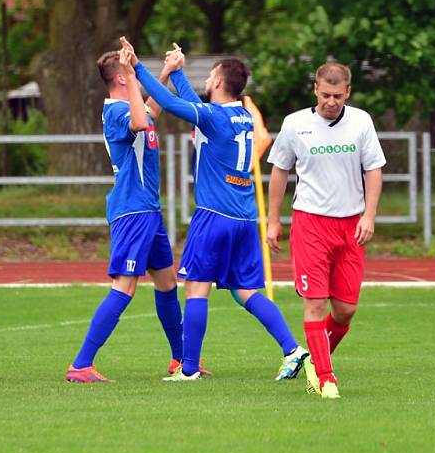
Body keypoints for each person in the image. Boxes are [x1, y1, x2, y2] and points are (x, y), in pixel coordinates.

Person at [122, 37, 309, 383]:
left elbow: (167, 102)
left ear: (220, 82)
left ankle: (189, 369)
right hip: (244, 217)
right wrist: (177, 71)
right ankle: (292, 349)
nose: (205, 80)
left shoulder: (213, 117)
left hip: (214, 215)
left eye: (209, 76)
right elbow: (196, 108)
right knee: (247, 292)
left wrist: (136, 68)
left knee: (195, 288)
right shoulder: (242, 117)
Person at [65, 45, 198, 383]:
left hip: (148, 211)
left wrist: (164, 74)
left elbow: (150, 113)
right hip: (132, 211)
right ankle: (81, 364)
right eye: (133, 72)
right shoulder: (115, 111)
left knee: (167, 284)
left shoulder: (129, 105)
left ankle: (180, 361)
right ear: (123, 78)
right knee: (125, 287)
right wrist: (138, 77)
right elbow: (140, 120)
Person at [266, 62, 386, 399]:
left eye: (337, 95)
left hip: (350, 226)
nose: (330, 101)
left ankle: (312, 358)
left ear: (348, 92)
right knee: (315, 304)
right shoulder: (295, 124)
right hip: (310, 224)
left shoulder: (361, 121)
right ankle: (325, 378)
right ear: (315, 90)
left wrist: (369, 215)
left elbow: (373, 170)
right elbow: (279, 172)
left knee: (345, 310)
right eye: (325, 95)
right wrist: (274, 221)